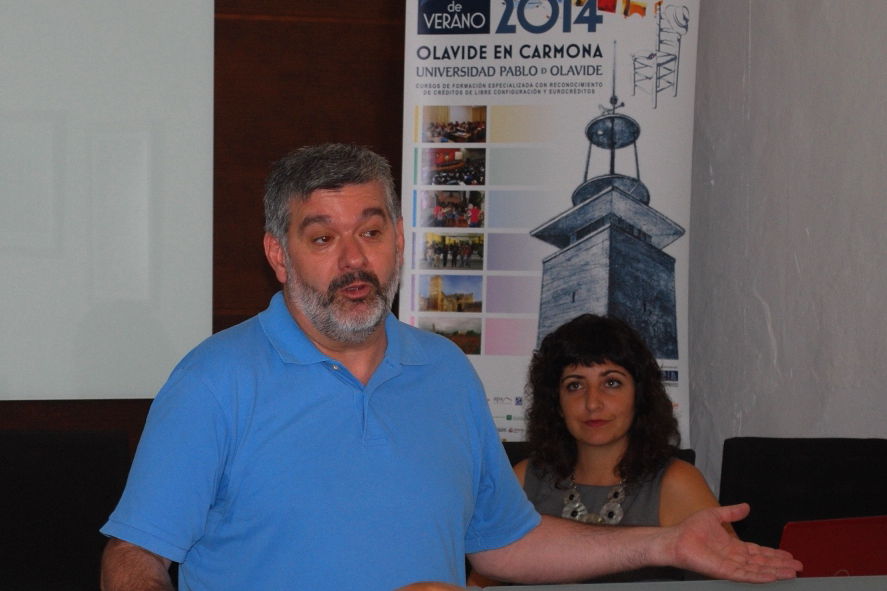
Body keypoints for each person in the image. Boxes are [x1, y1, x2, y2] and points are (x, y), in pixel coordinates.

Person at [100, 144, 801, 591]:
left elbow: (503, 543)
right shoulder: (213, 381)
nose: (354, 260)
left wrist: (667, 543)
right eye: (322, 238)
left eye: (370, 231)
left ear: (400, 240)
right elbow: (134, 560)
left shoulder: (443, 370)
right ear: (278, 255)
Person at [469, 313, 732, 586]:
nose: (592, 403)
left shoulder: (677, 483)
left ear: (639, 395)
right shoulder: (523, 479)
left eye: (611, 383)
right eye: (575, 385)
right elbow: (479, 583)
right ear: (557, 404)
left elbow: (731, 578)